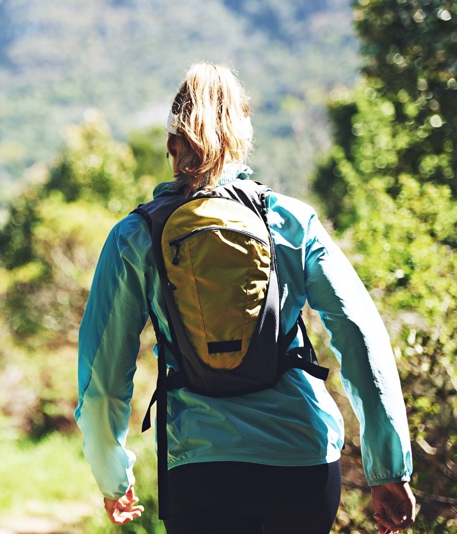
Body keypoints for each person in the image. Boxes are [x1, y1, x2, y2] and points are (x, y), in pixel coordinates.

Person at [74, 63, 416, 534]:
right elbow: (360, 339)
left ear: (173, 145)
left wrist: (114, 477)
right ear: (242, 138)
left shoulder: (135, 236)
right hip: (302, 460)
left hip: (200, 468)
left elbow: (102, 381)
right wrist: (388, 466)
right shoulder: (292, 222)